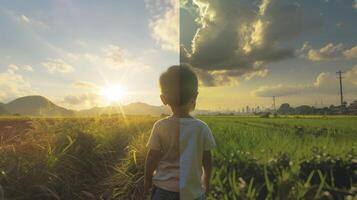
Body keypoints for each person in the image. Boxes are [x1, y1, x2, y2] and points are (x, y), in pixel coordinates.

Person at [143, 64, 216, 200]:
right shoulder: (201, 128)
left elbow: (152, 156)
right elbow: (207, 159)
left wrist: (147, 179)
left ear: (163, 99)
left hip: (163, 190)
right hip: (193, 192)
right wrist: (206, 181)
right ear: (195, 96)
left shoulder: (160, 125)